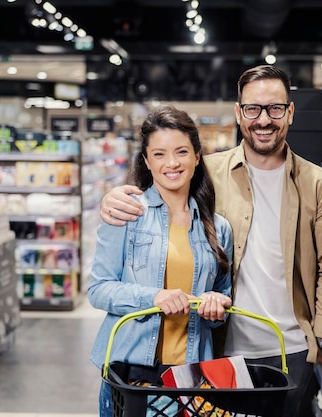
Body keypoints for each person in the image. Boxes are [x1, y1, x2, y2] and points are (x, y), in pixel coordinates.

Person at [100, 65, 322, 417]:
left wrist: (320, 338)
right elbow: (159, 190)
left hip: (291, 349)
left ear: (290, 112)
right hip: (220, 348)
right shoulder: (208, 172)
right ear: (239, 112)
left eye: (275, 108)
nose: (264, 119)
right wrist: (113, 199)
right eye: (253, 109)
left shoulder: (317, 183)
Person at [88, 104, 234, 417]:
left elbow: (223, 300)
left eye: (181, 152)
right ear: (146, 160)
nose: (171, 163)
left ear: (197, 156)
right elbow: (99, 289)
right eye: (159, 154)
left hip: (191, 377)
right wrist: (154, 297)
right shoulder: (126, 213)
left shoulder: (219, 228)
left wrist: (214, 305)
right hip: (131, 374)